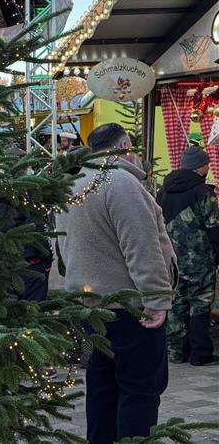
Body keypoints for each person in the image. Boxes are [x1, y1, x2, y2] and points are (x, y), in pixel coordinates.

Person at [55, 123, 176, 443]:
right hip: (129, 309)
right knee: (140, 390)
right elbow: (141, 244)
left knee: (102, 389)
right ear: (124, 144)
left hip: (91, 307)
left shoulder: (73, 183)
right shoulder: (120, 182)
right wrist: (156, 299)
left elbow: (63, 248)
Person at [156, 145, 219, 366]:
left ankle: (175, 353)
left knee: (176, 305)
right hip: (200, 261)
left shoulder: (162, 192)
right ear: (201, 167)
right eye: (207, 163)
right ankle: (200, 355)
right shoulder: (204, 193)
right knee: (200, 306)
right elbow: (214, 228)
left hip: (171, 261)